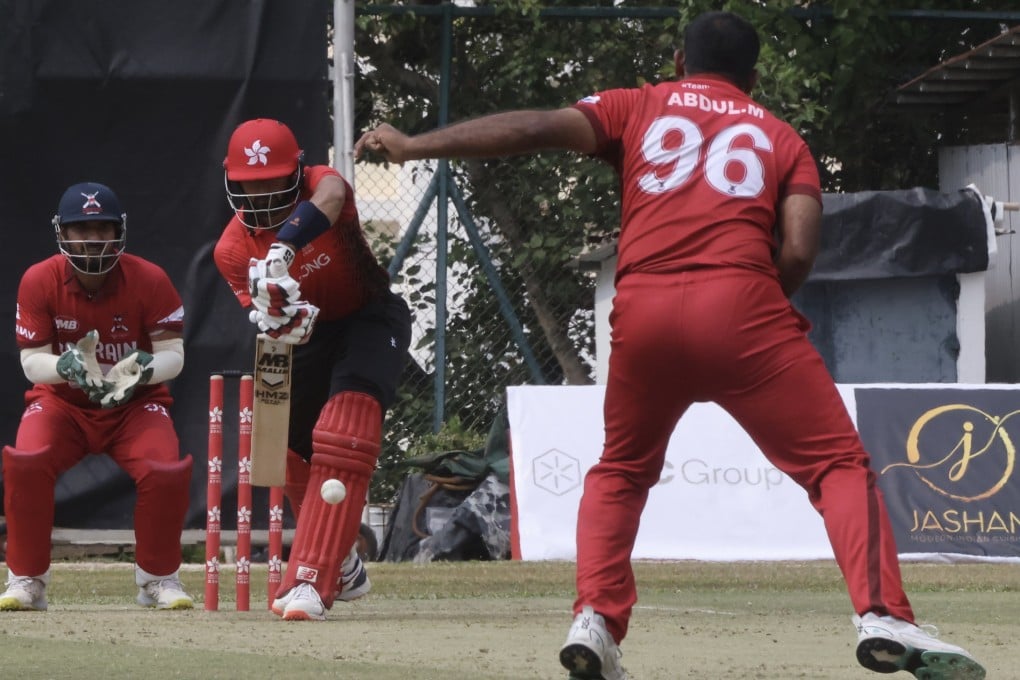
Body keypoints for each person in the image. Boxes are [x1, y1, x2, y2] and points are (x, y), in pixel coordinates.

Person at [354, 11, 986, 680]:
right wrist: (750, 299)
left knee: (621, 471)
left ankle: (595, 618)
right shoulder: (780, 137)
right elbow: (799, 247)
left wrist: (416, 144)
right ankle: (880, 611)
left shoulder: (638, 104)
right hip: (745, 311)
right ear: (754, 77)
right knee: (837, 466)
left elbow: (537, 127)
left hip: (645, 311)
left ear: (680, 63)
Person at [215, 118, 411, 621]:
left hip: (368, 316)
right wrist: (282, 320)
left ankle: (312, 576)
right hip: (308, 337)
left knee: (344, 428)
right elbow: (264, 316)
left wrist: (284, 247)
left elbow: (328, 194)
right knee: (283, 448)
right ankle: (343, 558)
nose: (259, 198)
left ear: (296, 173)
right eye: (249, 187)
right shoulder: (232, 250)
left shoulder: (324, 184)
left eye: (272, 184)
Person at [2, 182, 194, 611]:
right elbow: (32, 361)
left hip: (134, 404)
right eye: (81, 229)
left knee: (165, 470)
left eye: (103, 229)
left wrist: (142, 369)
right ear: (62, 234)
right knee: (26, 462)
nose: (92, 239)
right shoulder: (40, 278)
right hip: (62, 403)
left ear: (119, 231)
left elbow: (173, 354)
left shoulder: (149, 278)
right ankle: (27, 579)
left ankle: (158, 579)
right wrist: (64, 368)